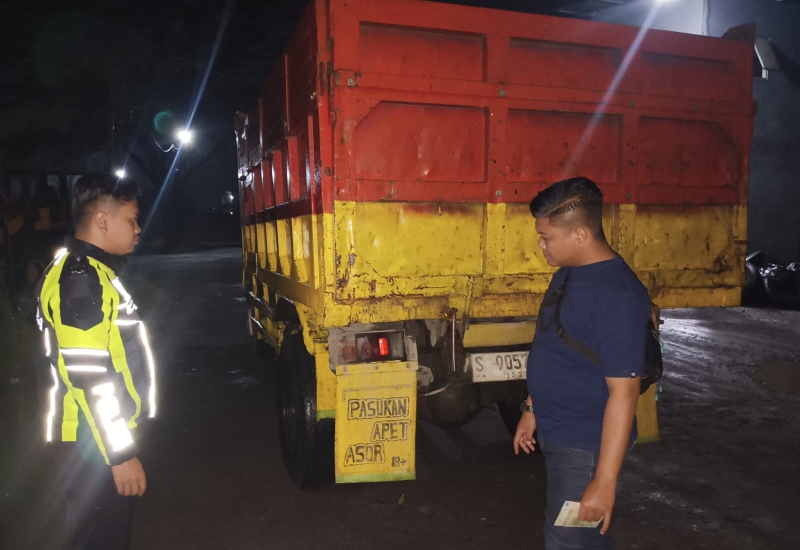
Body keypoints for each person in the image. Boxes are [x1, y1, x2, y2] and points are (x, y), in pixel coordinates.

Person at [514, 177, 650, 550]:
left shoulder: (617, 296)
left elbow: (624, 393)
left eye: (546, 237)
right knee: (579, 539)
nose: (540, 245)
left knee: (568, 540)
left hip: (585, 446)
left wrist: (604, 481)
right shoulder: (568, 273)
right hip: (558, 431)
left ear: (578, 235)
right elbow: (553, 345)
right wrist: (531, 408)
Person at [34, 172, 155, 549]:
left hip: (94, 438)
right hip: (91, 443)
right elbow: (90, 376)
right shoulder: (81, 280)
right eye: (132, 219)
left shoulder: (89, 272)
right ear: (103, 220)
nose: (138, 229)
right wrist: (121, 454)